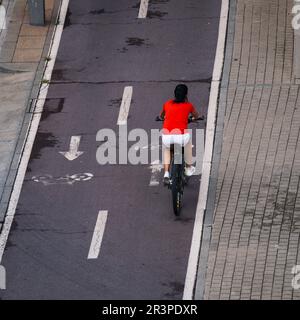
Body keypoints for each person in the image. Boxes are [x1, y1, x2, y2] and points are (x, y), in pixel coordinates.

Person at [159, 84, 203, 185]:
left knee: (167, 149)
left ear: (174, 94)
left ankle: (166, 173)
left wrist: (162, 117)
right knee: (188, 144)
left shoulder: (167, 104)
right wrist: (193, 118)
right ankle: (188, 167)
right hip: (181, 137)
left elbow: (162, 116)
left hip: (167, 136)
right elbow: (196, 116)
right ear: (186, 95)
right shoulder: (189, 105)